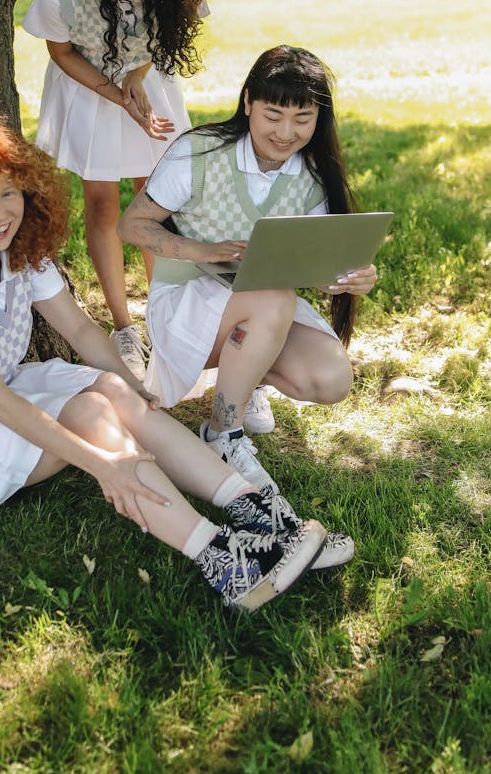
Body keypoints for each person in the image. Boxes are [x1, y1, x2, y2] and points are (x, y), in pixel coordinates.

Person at [0, 123, 354, 613]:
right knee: (94, 413)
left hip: (2, 400)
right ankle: (222, 558)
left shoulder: (20, 254)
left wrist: (134, 385)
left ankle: (262, 516)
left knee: (115, 391)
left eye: (9, 194)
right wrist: (101, 464)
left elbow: (81, 332)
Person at [118, 45, 377, 498]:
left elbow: (314, 263)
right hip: (186, 300)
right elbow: (131, 225)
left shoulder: (312, 174)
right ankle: (224, 434)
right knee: (274, 298)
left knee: (332, 378)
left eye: (302, 119)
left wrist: (351, 276)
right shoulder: (199, 152)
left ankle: (243, 380)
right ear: (247, 104)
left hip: (257, 308)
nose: (285, 132)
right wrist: (203, 249)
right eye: (273, 115)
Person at [22, 0, 208, 382]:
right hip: (88, 89)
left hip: (145, 85)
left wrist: (136, 79)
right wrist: (115, 92)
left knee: (155, 199)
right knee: (103, 204)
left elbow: (165, 36)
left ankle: (163, 319)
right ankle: (125, 327)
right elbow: (60, 52)